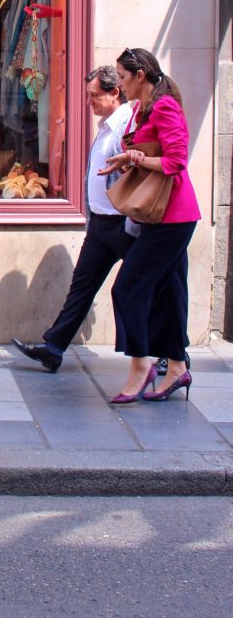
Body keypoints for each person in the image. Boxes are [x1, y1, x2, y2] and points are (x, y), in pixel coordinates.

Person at [11, 66, 134, 372]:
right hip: (102, 225)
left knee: (144, 288)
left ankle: (165, 356)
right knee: (81, 288)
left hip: (125, 225)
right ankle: (54, 348)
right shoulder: (108, 125)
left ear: (114, 92)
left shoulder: (126, 126)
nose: (89, 102)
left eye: (94, 95)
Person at [98, 47, 200, 403]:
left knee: (126, 288)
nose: (121, 86)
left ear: (140, 75)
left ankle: (141, 364)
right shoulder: (143, 109)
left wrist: (138, 158)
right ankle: (175, 367)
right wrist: (129, 158)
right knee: (170, 293)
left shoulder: (165, 106)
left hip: (174, 216)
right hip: (160, 215)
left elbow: (176, 161)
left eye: (123, 78)